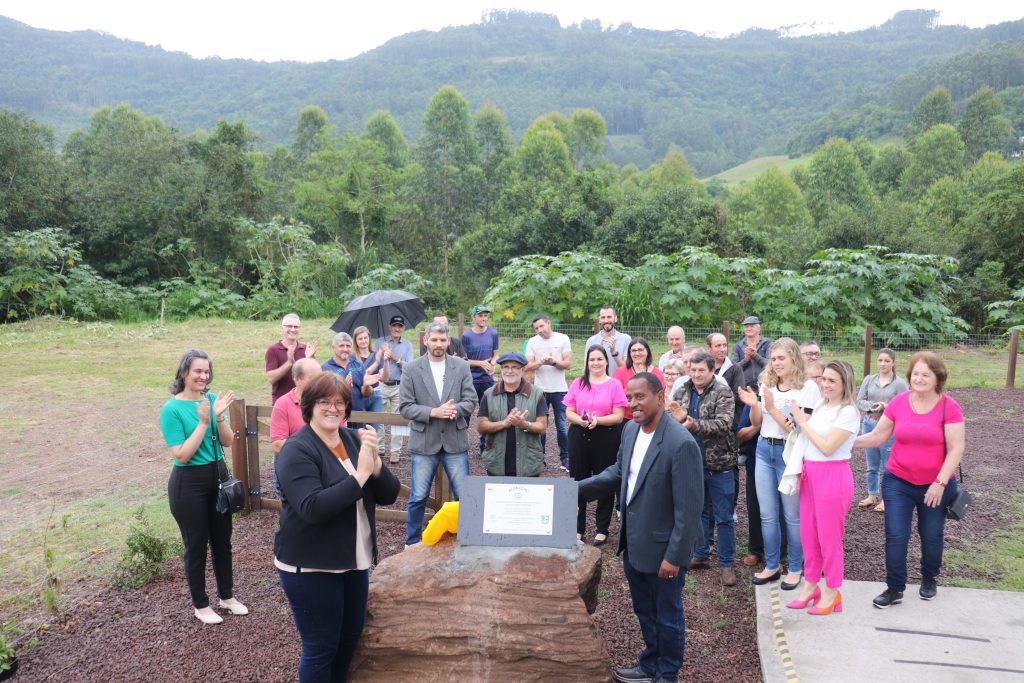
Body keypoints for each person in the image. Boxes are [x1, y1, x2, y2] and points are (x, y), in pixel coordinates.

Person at [274, 373, 400, 682]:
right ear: (309, 405)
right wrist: (360, 475)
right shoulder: (297, 450)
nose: (333, 408)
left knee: (347, 642)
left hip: (352, 562)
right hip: (311, 566)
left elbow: (388, 495)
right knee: (321, 648)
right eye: (324, 402)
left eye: (339, 402)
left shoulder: (352, 439)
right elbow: (312, 508)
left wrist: (376, 464)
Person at [578, 373, 704, 683]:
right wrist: (575, 489)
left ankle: (667, 673)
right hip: (634, 543)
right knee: (644, 610)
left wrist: (674, 557)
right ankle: (650, 664)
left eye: (640, 397)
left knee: (668, 615)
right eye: (629, 397)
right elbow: (619, 472)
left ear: (660, 397)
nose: (633, 404)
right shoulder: (631, 430)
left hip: (664, 550)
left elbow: (688, 511)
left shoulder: (681, 443)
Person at [854, 352, 965, 609]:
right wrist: (843, 443)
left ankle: (929, 577)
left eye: (926, 374)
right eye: (915, 373)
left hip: (935, 485)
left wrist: (939, 483)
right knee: (896, 534)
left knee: (931, 534)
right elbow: (878, 436)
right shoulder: (899, 403)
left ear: (938, 378)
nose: (919, 378)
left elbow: (956, 448)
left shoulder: (949, 407)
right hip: (898, 481)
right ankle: (894, 588)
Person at [160, 349, 246, 625]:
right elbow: (182, 454)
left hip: (218, 477)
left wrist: (218, 417)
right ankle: (201, 604)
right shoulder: (171, 409)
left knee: (223, 541)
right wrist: (204, 422)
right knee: (196, 544)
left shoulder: (211, 400)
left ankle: (227, 596)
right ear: (184, 372)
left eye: (206, 371)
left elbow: (228, 441)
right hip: (188, 484)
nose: (203, 376)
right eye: (197, 371)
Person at [737, 337, 820, 589]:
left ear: (794, 358)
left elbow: (797, 428)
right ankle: (772, 565)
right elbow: (758, 421)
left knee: (792, 515)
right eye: (773, 359)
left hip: (789, 452)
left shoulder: (807, 388)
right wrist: (754, 405)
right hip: (764, 449)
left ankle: (795, 567)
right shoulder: (767, 383)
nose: (776, 363)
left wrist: (771, 407)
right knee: (767, 514)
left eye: (781, 358)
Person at [785, 360, 860, 616]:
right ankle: (810, 585)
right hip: (811, 474)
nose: (825, 384)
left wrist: (803, 423)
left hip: (833, 476)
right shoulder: (821, 405)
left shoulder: (847, 412)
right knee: (809, 535)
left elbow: (828, 447)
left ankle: (832, 590)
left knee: (829, 539)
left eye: (832, 381)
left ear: (845, 384)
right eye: (824, 379)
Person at [399, 322, 478, 546]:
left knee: (464, 496)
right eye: (434, 340)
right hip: (425, 442)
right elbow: (405, 407)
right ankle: (412, 542)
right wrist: (434, 412)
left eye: (443, 340)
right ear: (426, 340)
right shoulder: (411, 369)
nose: (438, 344)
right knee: (418, 497)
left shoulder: (460, 367)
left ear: (449, 341)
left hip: (454, 441)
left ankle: (468, 538)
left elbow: (471, 400)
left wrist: (454, 410)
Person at [669, 351, 739, 586]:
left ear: (711, 371)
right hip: (692, 462)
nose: (697, 374)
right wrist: (678, 420)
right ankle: (700, 553)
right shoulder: (682, 390)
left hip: (720, 463)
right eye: (693, 370)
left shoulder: (723, 391)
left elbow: (724, 423)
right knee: (699, 511)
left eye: (702, 370)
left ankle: (727, 563)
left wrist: (693, 425)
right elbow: (672, 419)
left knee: (724, 516)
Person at [565, 345, 628, 546]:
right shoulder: (578, 382)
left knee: (605, 480)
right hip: (579, 435)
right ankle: (577, 527)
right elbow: (569, 411)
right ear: (587, 362)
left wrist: (597, 421)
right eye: (592, 359)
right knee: (577, 480)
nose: (595, 363)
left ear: (606, 361)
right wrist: (580, 420)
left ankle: (602, 528)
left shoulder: (614, 384)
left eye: (599, 359)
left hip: (606, 437)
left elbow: (618, 416)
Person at [477, 352, 549, 477]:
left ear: (522, 370)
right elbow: (481, 427)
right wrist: (504, 423)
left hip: (529, 464)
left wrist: (524, 424)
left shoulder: (537, 394)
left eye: (514, 367)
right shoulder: (489, 394)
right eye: (505, 367)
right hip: (496, 463)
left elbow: (542, 427)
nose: (509, 371)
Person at [856, 348, 908, 514]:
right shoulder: (869, 379)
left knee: (888, 465)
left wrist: (887, 406)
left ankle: (887, 498)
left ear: (893, 362)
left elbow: (905, 405)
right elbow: (859, 401)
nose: (883, 364)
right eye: (880, 360)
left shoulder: (899, 383)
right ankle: (872, 495)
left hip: (888, 426)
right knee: (871, 465)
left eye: (887, 361)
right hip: (869, 423)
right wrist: (873, 406)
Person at [524, 314, 572, 472]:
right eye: (536, 328)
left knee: (562, 426)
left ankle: (565, 459)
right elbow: (526, 366)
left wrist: (553, 362)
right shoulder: (532, 342)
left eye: (541, 326)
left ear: (548, 323)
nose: (539, 330)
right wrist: (540, 362)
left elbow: (568, 364)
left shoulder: (563, 338)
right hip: (540, 390)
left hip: (560, 389)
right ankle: (539, 458)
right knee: (540, 426)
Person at [376, 315, 414, 464]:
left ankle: (395, 451)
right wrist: (382, 352)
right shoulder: (381, 342)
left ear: (403, 328)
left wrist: (394, 357)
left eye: (400, 326)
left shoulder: (408, 345)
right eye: (394, 325)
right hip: (381, 384)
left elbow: (410, 367)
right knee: (378, 416)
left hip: (399, 385)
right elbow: (375, 361)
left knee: (398, 418)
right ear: (389, 327)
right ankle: (379, 448)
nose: (397, 329)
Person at [462, 305, 500, 450]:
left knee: (488, 412)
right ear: (473, 318)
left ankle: (486, 446)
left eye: (485, 315)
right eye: (480, 315)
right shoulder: (466, 336)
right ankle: (461, 445)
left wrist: (493, 363)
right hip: (471, 379)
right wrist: (480, 363)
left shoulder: (493, 333)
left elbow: (496, 354)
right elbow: (463, 360)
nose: (483, 318)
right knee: (466, 412)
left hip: (487, 380)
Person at [323, 332, 379, 429]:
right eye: (341, 346)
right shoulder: (326, 368)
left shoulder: (358, 365)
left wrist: (366, 386)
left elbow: (366, 394)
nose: (345, 349)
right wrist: (344, 387)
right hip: (336, 416)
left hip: (358, 416)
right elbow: (323, 395)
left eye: (348, 346)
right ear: (333, 347)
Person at [270, 358, 323, 455]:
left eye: (321, 377)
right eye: (313, 378)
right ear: (297, 379)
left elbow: (341, 437)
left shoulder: (331, 402)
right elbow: (277, 446)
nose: (319, 382)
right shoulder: (283, 404)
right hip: (296, 459)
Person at [266, 313, 318, 404]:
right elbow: (271, 379)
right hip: (282, 403)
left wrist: (309, 359)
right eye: (289, 326)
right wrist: (289, 363)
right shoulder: (273, 350)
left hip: (304, 401)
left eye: (296, 327)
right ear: (282, 328)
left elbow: (315, 378)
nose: (293, 329)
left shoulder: (306, 349)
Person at [736, 401, 765, 567]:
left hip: (785, 461)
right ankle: (755, 550)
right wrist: (757, 426)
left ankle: (781, 555)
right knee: (754, 507)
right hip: (756, 460)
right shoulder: (756, 399)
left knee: (784, 512)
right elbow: (740, 432)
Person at [614, 338, 665, 420]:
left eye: (640, 350)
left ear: (647, 351)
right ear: (629, 353)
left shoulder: (657, 373)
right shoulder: (620, 372)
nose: (637, 353)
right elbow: (617, 397)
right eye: (633, 351)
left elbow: (660, 397)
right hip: (627, 418)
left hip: (651, 418)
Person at [353, 325, 385, 439]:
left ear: (369, 338)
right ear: (356, 341)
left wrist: (385, 360)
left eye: (365, 338)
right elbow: (362, 375)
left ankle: (371, 449)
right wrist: (376, 363)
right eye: (360, 338)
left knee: (374, 428)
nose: (363, 341)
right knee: (359, 428)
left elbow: (382, 375)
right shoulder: (352, 358)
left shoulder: (377, 355)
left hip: (375, 394)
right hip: (359, 395)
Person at [730, 315, 771, 390]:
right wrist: (746, 360)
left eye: (752, 326)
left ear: (759, 329)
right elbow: (732, 369)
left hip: (765, 386)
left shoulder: (768, 343)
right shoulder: (737, 346)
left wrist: (755, 356)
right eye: (746, 327)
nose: (749, 329)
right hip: (744, 387)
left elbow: (771, 364)